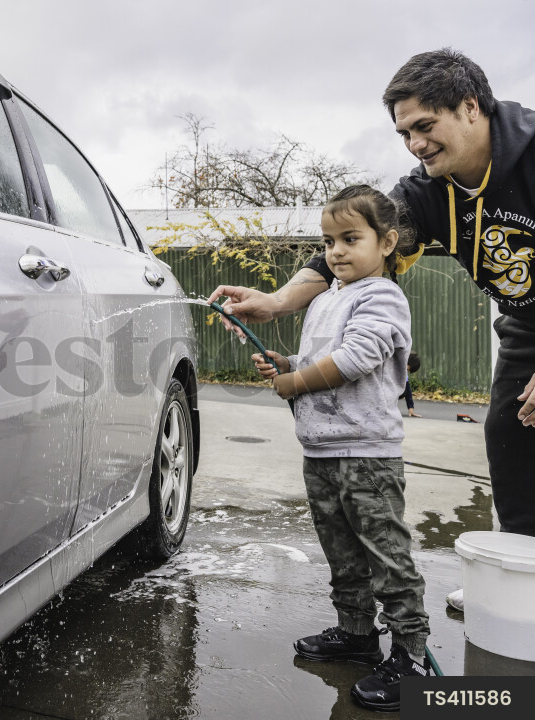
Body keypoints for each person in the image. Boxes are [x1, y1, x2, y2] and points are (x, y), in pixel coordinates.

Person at [210, 48, 535, 614]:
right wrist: (278, 301)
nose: (414, 144)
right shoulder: (428, 190)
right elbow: (355, 249)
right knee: (510, 441)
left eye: (424, 127)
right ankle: (519, 579)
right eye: (404, 132)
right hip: (526, 327)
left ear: (470, 106)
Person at [250, 185, 430, 712]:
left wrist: (299, 382)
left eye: (351, 239)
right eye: (328, 241)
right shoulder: (327, 298)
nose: (336, 252)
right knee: (344, 555)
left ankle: (410, 656)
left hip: (367, 456)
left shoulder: (382, 296)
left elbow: (356, 358)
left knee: (387, 558)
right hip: (322, 453)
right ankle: (357, 634)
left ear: (387, 241)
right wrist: (286, 365)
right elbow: (318, 358)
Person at [400, 351, 422, 417]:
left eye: (408, 370)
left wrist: (411, 408)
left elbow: (408, 390)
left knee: (404, 391)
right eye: (408, 369)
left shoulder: (404, 373)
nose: (407, 371)